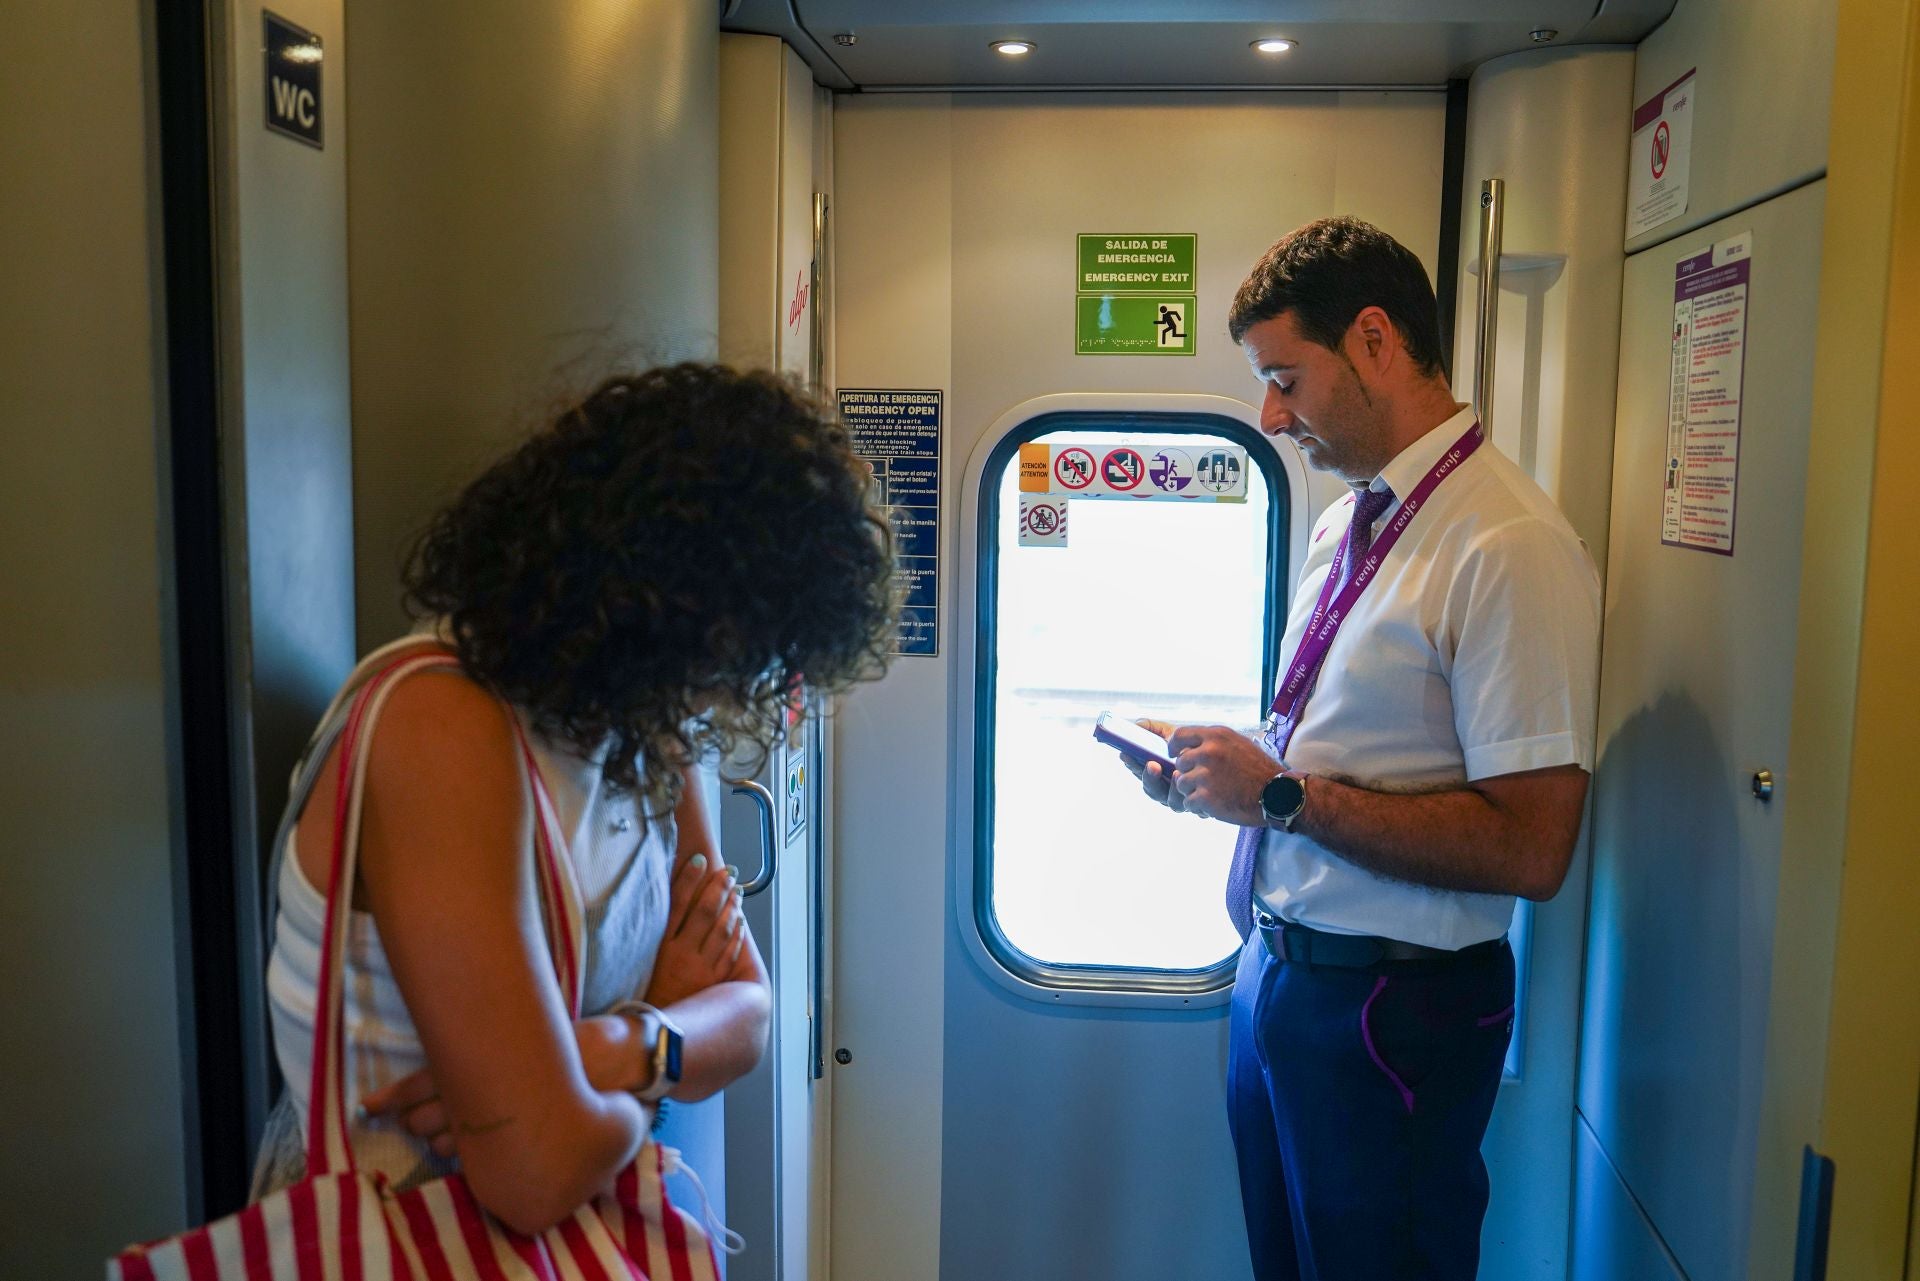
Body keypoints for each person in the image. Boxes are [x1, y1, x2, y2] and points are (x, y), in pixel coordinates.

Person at [249, 363, 897, 1236]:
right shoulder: (439, 728)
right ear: (651, 598)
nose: (738, 687)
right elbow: (537, 1172)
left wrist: (619, 1046)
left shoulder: (649, 729)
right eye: (736, 649)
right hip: (399, 1233)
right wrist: (657, 1053)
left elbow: (748, 1015)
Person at [1119, 217, 1600, 1280]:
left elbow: (1532, 850)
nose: (1270, 414)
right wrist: (1221, 775)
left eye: (1287, 377)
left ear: (1376, 340)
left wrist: (1282, 800)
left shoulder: (1508, 546)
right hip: (1280, 979)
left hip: (1393, 1012)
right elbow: (1342, 751)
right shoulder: (1355, 522)